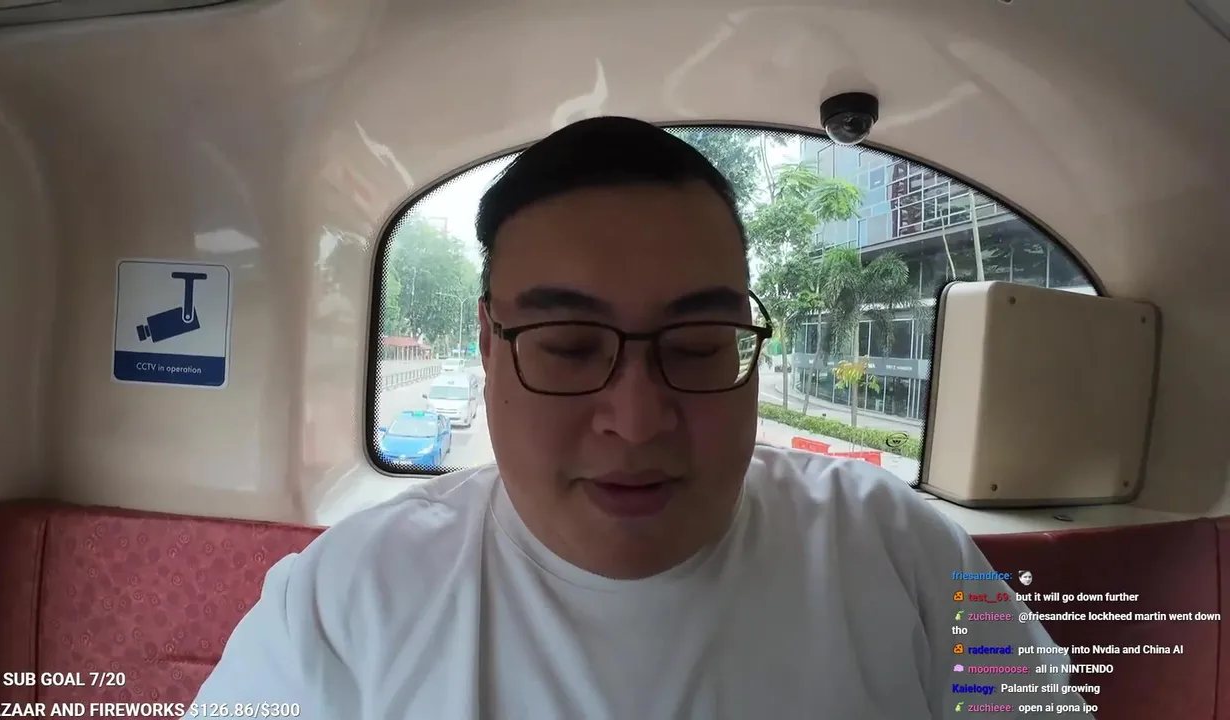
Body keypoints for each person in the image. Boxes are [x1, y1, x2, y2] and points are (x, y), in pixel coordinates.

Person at [187, 117, 1091, 718]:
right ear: (489, 345)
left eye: (696, 346)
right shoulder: (342, 604)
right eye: (569, 347)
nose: (638, 419)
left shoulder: (902, 552)